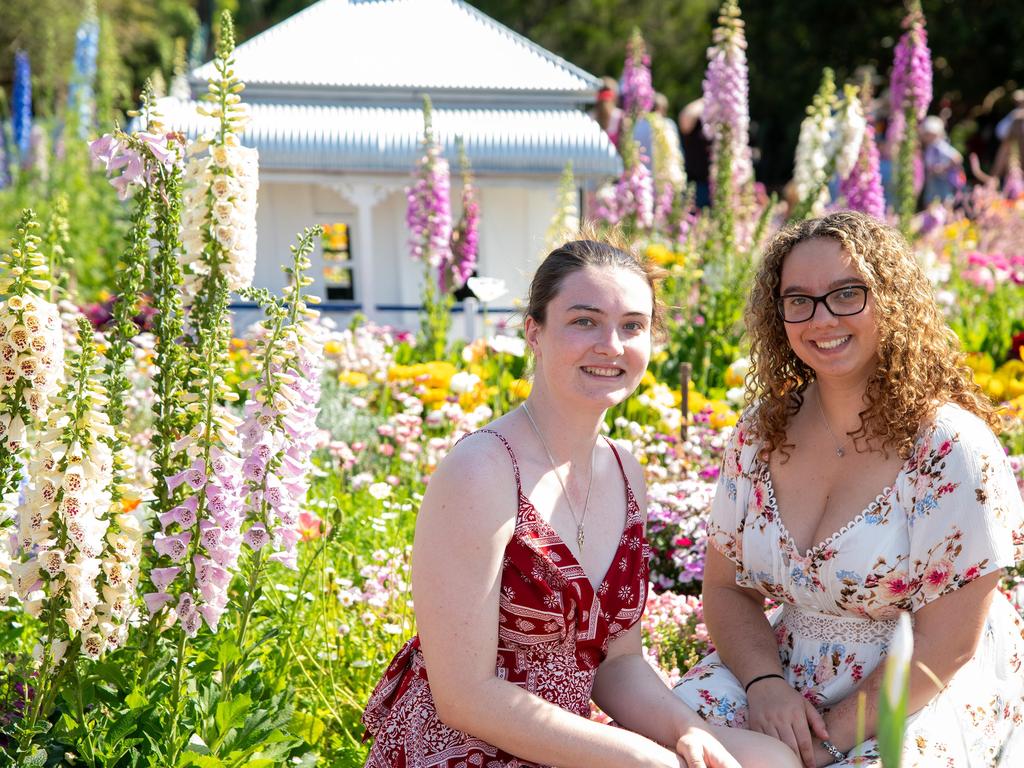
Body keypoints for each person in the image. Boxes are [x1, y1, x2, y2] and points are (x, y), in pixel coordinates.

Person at [362, 232, 801, 768]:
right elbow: (464, 697)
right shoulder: (482, 471)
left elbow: (617, 664)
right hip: (462, 745)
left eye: (632, 326)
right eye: (584, 320)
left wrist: (688, 733)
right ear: (534, 333)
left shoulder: (623, 470)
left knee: (770, 760)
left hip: (570, 741)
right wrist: (642, 758)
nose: (611, 345)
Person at [673, 210, 1024, 767]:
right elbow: (725, 590)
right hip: (779, 671)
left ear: (890, 300)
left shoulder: (947, 446)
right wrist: (765, 684)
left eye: (846, 294)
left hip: (914, 687)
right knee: (671, 750)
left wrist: (824, 741)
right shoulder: (762, 432)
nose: (821, 318)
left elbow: (947, 646)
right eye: (799, 300)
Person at [919, 115, 965, 205]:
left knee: (943, 204)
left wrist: (942, 168)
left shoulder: (940, 146)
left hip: (941, 181)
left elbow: (957, 158)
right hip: (933, 180)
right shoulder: (930, 146)